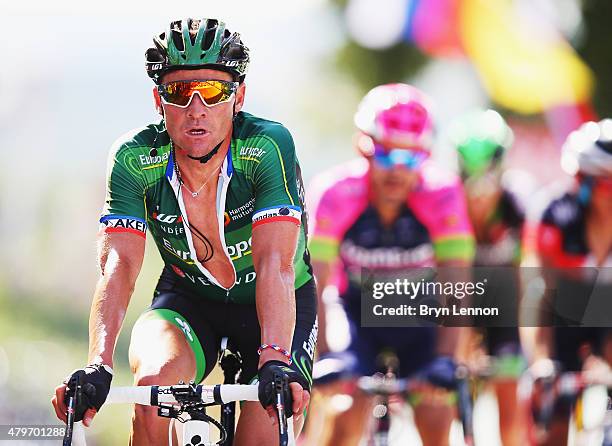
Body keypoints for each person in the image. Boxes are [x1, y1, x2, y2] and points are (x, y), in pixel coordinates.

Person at [51, 18, 317, 445]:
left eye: (212, 91)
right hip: (188, 299)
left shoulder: (267, 146)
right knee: (153, 385)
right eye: (178, 92)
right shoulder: (135, 157)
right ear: (159, 100)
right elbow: (118, 265)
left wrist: (273, 358)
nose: (196, 108)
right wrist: (98, 363)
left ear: (239, 97)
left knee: (266, 427)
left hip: (273, 304)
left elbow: (276, 264)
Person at [304, 84, 475, 446]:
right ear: (362, 146)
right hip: (354, 313)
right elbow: (314, 281)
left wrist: (446, 358)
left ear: (426, 156)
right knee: (344, 406)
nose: (397, 170)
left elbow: (456, 281)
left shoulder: (443, 193)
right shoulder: (334, 192)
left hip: (420, 316)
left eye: (411, 158)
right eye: (386, 154)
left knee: (435, 412)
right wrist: (325, 356)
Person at [523, 119, 612, 445]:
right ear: (583, 183)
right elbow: (535, 296)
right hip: (561, 315)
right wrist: (541, 362)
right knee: (553, 428)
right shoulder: (552, 214)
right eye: (606, 185)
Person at [449, 109, 528, 446]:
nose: (480, 190)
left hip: (505, 306)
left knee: (509, 392)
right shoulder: (449, 202)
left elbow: (528, 273)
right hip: (457, 301)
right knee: (456, 394)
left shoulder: (516, 204)